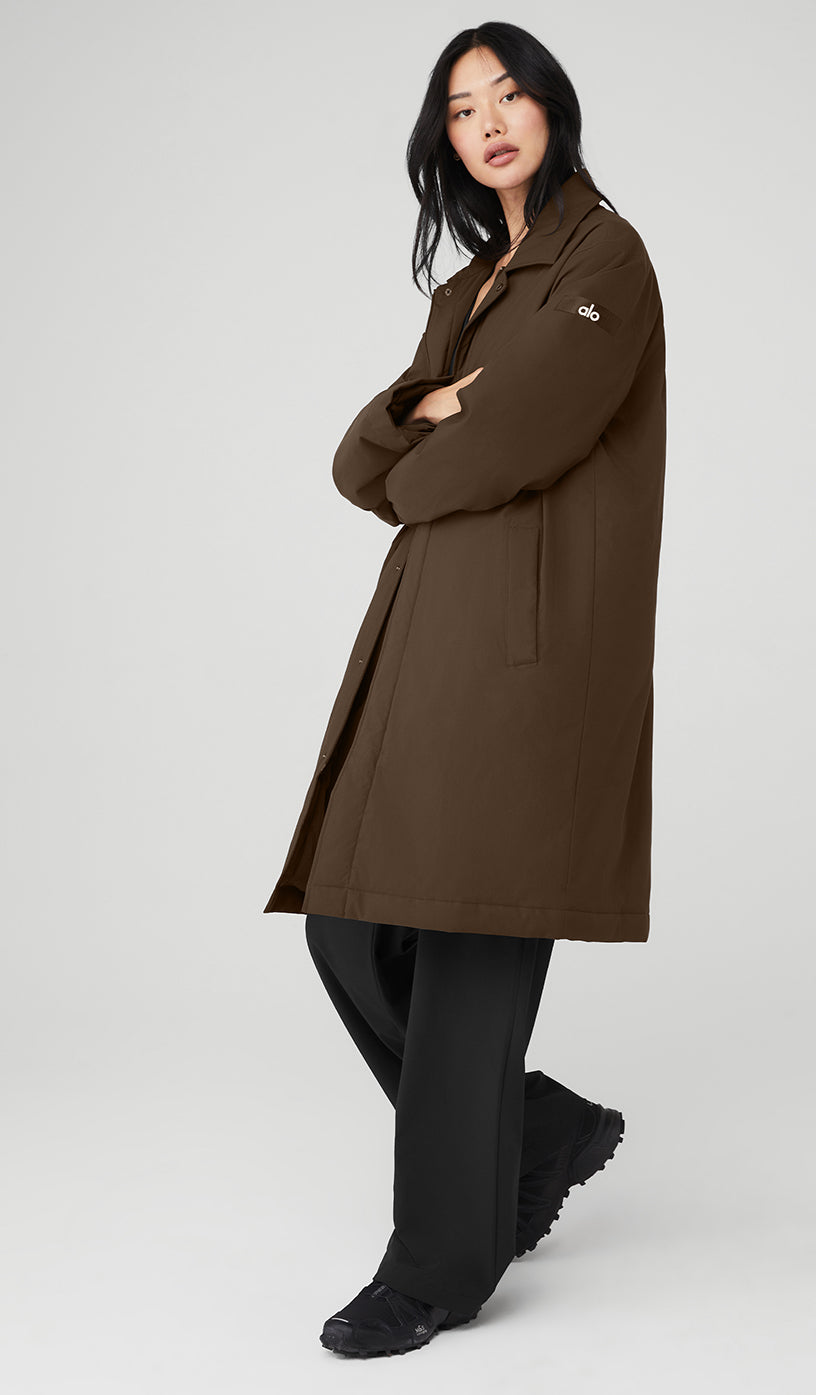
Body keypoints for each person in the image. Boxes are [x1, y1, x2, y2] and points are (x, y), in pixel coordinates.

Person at [263, 21, 667, 1358]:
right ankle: (536, 1131)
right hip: (433, 640)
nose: (488, 122)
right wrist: (426, 420)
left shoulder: (602, 260)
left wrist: (431, 442)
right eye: (460, 107)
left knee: (470, 942)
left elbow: (495, 450)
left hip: (531, 653)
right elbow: (357, 465)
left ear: (552, 107)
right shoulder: (472, 286)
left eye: (509, 95)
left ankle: (438, 1267)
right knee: (349, 925)